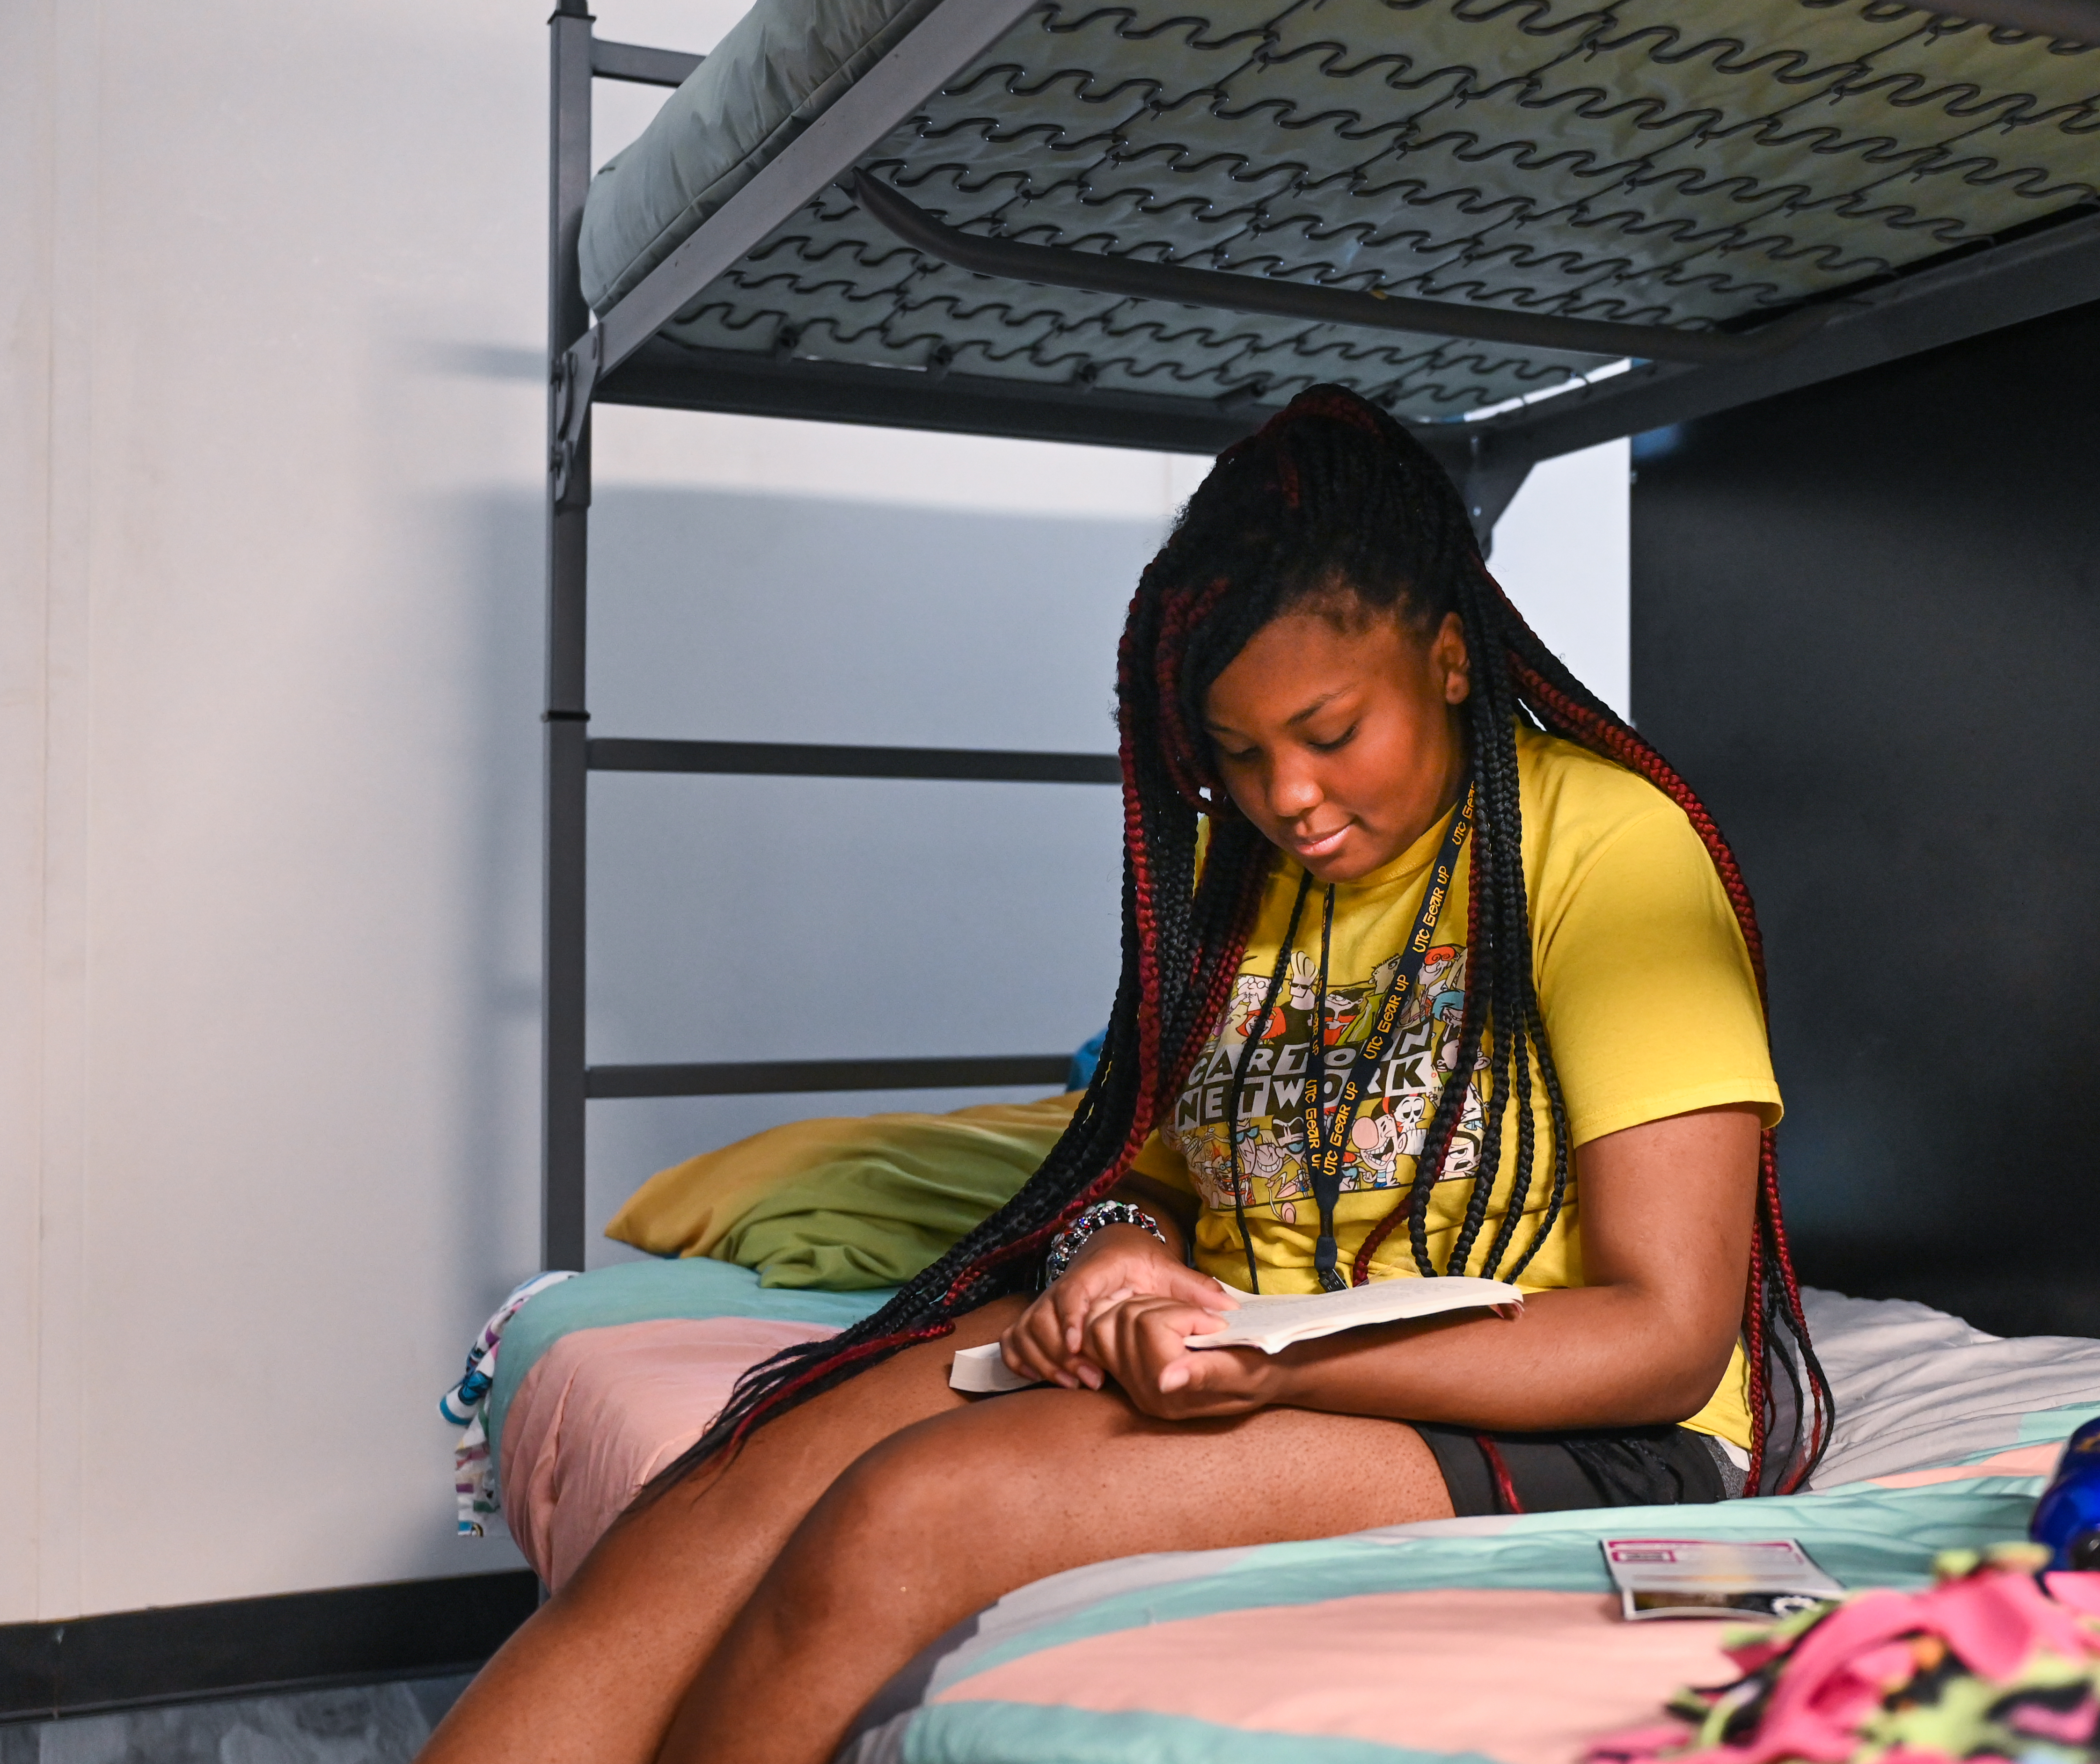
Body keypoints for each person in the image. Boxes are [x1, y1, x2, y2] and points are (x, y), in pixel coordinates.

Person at [419, 385, 1829, 1764]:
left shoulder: (1614, 847)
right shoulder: (1248, 869)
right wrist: (1119, 1260)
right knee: (728, 1486)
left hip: (1596, 1427)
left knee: (908, 1515)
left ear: (1452, 655)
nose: (1287, 796)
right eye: (1237, 753)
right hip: (1247, 1343)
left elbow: (1667, 1332)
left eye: (1331, 732)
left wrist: (1275, 1359)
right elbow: (1151, 1168)